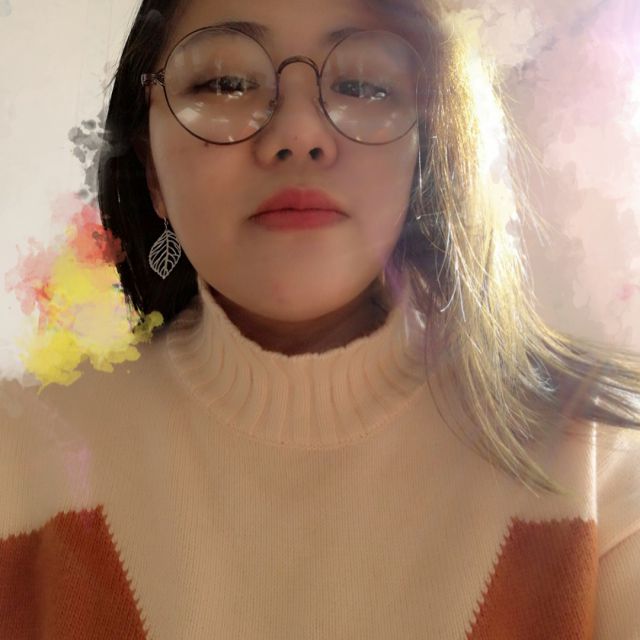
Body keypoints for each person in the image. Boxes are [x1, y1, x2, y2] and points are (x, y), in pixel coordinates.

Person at [1, 0, 639, 637]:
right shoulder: (20, 460)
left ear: (428, 144)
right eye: (226, 83)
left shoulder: (604, 464)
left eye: (363, 86)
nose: (299, 134)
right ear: (151, 170)